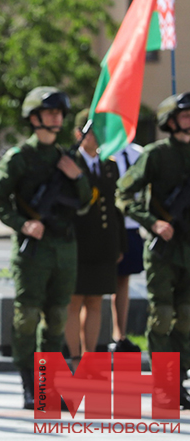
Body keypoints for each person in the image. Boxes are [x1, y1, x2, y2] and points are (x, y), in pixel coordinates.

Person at [0, 87, 91, 410]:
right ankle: (29, 382)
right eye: (50, 112)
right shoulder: (20, 157)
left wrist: (78, 176)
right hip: (34, 251)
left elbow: (85, 201)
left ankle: (50, 384)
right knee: (27, 316)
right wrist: (22, 223)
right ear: (34, 118)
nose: (57, 118)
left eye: (60, 113)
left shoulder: (68, 158)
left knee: (57, 317)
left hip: (65, 247)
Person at [117, 92, 190, 409]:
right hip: (163, 250)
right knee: (161, 315)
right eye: (186, 115)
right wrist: (152, 222)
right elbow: (123, 194)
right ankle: (164, 384)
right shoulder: (156, 154)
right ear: (170, 121)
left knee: (187, 318)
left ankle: (179, 381)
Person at [65, 109, 126, 371]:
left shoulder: (108, 165)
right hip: (78, 242)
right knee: (74, 301)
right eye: (93, 131)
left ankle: (90, 357)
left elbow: (114, 208)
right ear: (80, 134)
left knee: (95, 301)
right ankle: (75, 357)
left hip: (103, 243)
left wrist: (119, 243)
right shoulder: (70, 161)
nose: (98, 137)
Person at [109, 140, 144, 353]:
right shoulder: (104, 150)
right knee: (91, 288)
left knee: (123, 279)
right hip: (106, 227)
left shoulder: (138, 153)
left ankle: (119, 335)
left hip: (130, 225)